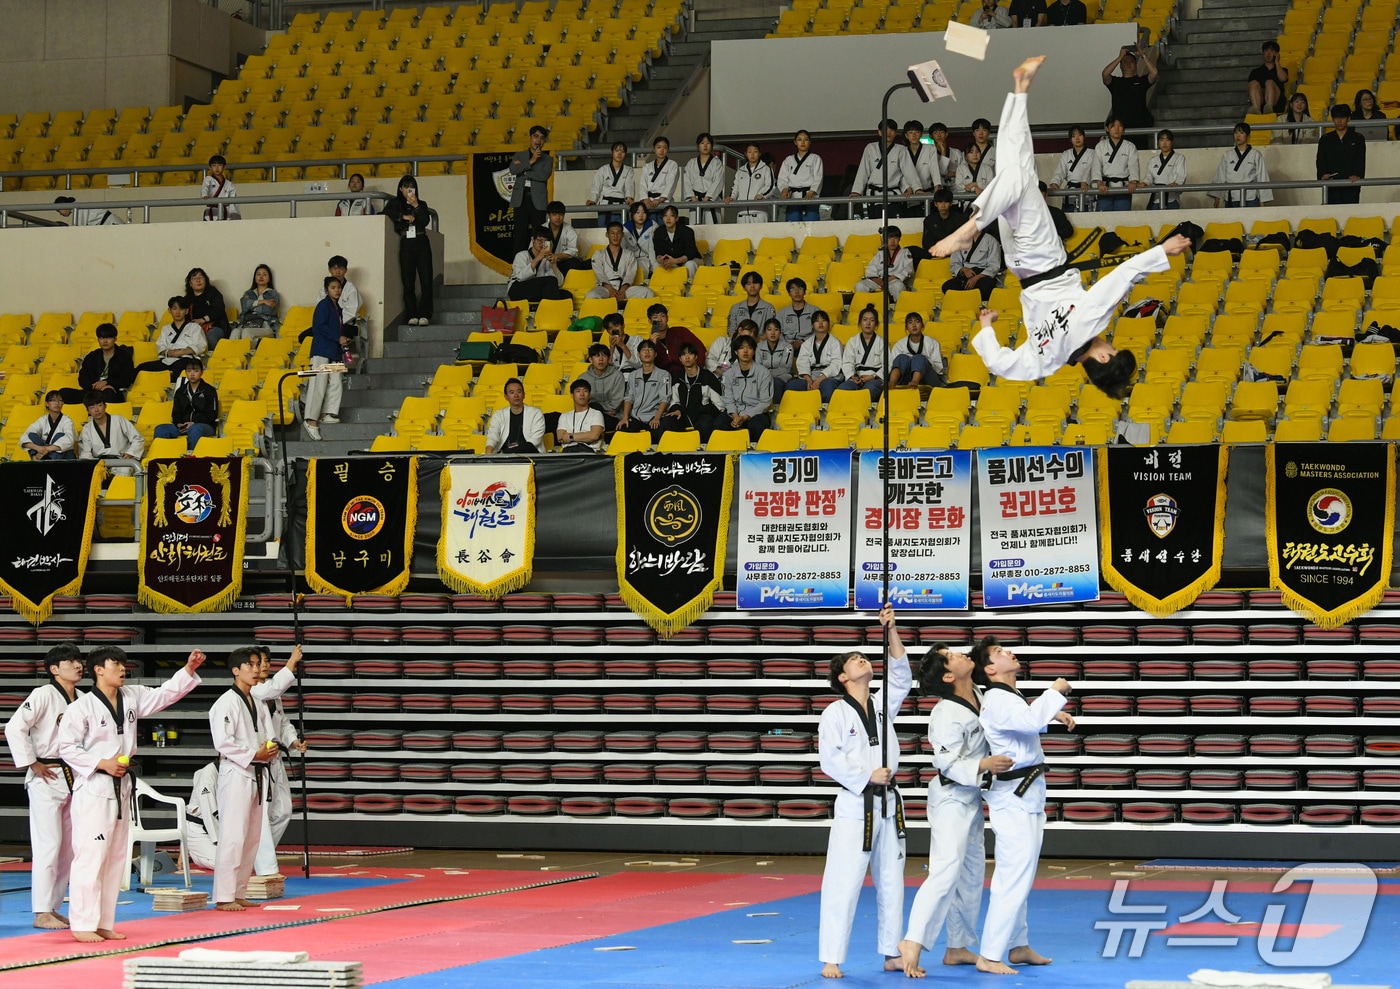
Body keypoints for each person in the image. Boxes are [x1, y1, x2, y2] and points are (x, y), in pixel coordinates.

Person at [931, 57, 1190, 396]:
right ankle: (1020, 88)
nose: (1109, 343)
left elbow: (1123, 276)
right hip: (1020, 266)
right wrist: (985, 328)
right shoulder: (1046, 361)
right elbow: (1001, 365)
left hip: (1044, 257)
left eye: (1111, 349)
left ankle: (972, 225)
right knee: (1017, 165)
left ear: (1102, 356)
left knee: (1020, 178)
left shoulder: (1090, 322)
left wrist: (1163, 250)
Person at [57, 646, 204, 942]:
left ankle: (103, 922)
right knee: (91, 856)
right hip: (95, 786)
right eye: (116, 664)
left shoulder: (132, 696)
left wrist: (188, 669)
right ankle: (83, 924)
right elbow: (66, 748)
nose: (123, 669)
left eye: (124, 664)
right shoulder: (81, 708)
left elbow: (165, 694)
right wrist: (102, 763)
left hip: (122, 786)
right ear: (98, 669)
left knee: (115, 858)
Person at [896, 642, 1015, 978]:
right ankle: (913, 940)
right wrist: (985, 763)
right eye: (952, 656)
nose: (962, 655)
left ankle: (958, 946)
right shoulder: (945, 713)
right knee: (946, 870)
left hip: (973, 797)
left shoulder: (979, 691)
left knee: (972, 873)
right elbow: (947, 763)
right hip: (950, 798)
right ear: (948, 675)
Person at [817, 604, 911, 980]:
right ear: (843, 677)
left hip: (889, 802)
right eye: (853, 660)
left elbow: (901, 675)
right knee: (844, 880)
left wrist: (891, 629)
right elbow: (829, 761)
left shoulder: (883, 703)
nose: (861, 658)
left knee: (892, 879)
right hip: (856, 803)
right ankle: (831, 957)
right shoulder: (834, 713)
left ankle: (891, 952)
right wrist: (866, 775)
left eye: (862, 656)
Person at [972, 634, 1072, 975]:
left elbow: (1024, 723)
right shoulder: (997, 698)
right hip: (1013, 795)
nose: (1009, 652)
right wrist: (1055, 692)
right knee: (1014, 873)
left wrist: (1053, 714)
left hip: (1025, 792)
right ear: (989, 668)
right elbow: (1027, 721)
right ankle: (989, 954)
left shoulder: (1008, 696)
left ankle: (1017, 944)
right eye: (1000, 652)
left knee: (1022, 871)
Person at [3, 644, 85, 929]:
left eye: (79, 660)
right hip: (46, 776)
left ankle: (53, 906)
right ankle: (40, 910)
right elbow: (14, 727)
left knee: (68, 849)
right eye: (71, 661)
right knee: (48, 844)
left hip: (75, 776)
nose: (78, 665)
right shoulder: (43, 695)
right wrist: (31, 763)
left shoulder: (85, 698)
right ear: (54, 669)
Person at [209, 647, 276, 911]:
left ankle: (238, 891)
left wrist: (270, 749)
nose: (257, 669)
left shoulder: (257, 701)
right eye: (251, 664)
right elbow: (223, 742)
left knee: (251, 837)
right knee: (233, 836)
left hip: (258, 771)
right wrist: (253, 753)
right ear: (236, 670)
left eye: (258, 664)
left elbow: (268, 734)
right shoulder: (225, 702)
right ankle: (224, 896)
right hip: (236, 772)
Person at [251, 645, 306, 877]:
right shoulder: (254, 690)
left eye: (266, 661)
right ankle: (262, 863)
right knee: (261, 814)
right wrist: (292, 663)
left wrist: (293, 741)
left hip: (276, 758)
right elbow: (271, 689)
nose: (264, 665)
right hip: (259, 758)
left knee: (283, 810)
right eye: (259, 662)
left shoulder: (275, 694)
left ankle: (256, 854)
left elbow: (283, 723)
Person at [301, 276, 348, 440]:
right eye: (333, 287)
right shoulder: (323, 305)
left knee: (336, 382)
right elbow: (319, 327)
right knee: (318, 385)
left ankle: (326, 413)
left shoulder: (338, 308)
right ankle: (310, 420)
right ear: (327, 289)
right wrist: (338, 337)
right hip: (322, 350)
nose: (337, 290)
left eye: (339, 287)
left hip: (334, 351)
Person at [851, 119, 919, 219]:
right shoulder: (870, 148)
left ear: (896, 133)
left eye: (892, 130)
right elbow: (863, 171)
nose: (889, 133)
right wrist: (856, 191)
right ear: (879, 132)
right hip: (874, 196)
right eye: (885, 130)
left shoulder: (901, 149)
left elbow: (907, 171)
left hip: (893, 196)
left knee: (895, 225)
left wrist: (915, 188)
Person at [392, 174, 433, 326]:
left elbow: (425, 221)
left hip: (421, 241)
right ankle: (411, 314)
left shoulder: (421, 203)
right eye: (406, 187)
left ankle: (425, 314)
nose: (409, 190)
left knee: (426, 279)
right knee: (408, 281)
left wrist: (416, 205)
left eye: (412, 187)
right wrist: (402, 217)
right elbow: (385, 214)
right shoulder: (396, 204)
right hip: (406, 243)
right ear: (401, 188)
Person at [60, 322, 134, 405]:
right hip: (92, 391)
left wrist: (107, 383)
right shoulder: (92, 356)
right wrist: (95, 386)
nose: (105, 341)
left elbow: (126, 379)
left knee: (108, 393)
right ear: (98, 339)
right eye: (101, 338)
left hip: (112, 391)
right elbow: (82, 379)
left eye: (109, 337)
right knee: (62, 393)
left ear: (115, 338)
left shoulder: (124, 356)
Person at [662, 342, 726, 440]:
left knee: (705, 423)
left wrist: (702, 410)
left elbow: (719, 405)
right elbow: (674, 401)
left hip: (702, 416)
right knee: (667, 421)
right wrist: (676, 409)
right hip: (682, 416)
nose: (687, 357)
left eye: (690, 353)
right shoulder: (676, 377)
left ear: (696, 357)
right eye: (683, 354)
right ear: (680, 359)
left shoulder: (707, 377)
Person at [153, 358, 218, 450]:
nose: (192, 374)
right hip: (183, 426)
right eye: (189, 371)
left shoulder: (209, 390)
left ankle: (191, 459)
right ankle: (161, 458)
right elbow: (176, 412)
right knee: (160, 429)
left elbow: (212, 415)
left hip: (204, 426)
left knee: (195, 429)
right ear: (186, 372)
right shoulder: (180, 391)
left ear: (201, 372)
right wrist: (179, 423)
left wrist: (193, 423)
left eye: (196, 371)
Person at [137, 296, 207, 380]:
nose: (178, 312)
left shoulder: (194, 327)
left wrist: (181, 352)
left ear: (186, 311)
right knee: (141, 367)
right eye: (174, 309)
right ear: (169, 310)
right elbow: (160, 345)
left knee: (178, 367)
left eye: (181, 309)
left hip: (187, 359)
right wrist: (168, 352)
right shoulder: (165, 328)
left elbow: (200, 345)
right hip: (169, 359)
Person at [721, 333, 774, 441]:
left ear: (754, 351)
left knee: (758, 426)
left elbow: (765, 402)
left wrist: (746, 416)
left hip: (756, 413)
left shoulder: (764, 373)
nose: (745, 351)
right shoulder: (728, 374)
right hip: (735, 412)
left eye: (749, 348)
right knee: (718, 424)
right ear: (736, 352)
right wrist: (735, 415)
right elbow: (727, 399)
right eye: (741, 348)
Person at [509, 124, 553, 253]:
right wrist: (531, 161)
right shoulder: (519, 155)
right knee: (519, 235)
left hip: (538, 201)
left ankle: (543, 265)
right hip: (520, 200)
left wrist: (524, 172)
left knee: (541, 235)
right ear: (530, 138)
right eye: (535, 136)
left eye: (542, 138)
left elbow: (544, 175)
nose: (538, 140)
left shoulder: (547, 159)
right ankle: (517, 269)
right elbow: (513, 170)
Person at [587, 221, 655, 301]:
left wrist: (623, 289)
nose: (615, 236)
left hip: (624, 288)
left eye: (618, 233)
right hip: (605, 288)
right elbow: (599, 273)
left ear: (622, 235)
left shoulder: (629, 254)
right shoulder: (598, 254)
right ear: (607, 235)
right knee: (591, 295)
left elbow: (630, 274)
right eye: (612, 233)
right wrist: (610, 289)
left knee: (648, 293)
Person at [617, 339, 672, 441]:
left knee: (656, 433)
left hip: (653, 416)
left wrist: (657, 417)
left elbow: (665, 399)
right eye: (643, 350)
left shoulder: (664, 375)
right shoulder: (633, 375)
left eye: (650, 349)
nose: (647, 352)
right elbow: (629, 397)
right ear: (638, 354)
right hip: (636, 417)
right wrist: (625, 417)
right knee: (622, 430)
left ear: (655, 354)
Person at [1212, 122, 1272, 208]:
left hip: (1250, 196)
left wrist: (1262, 201)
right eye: (1236, 132)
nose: (1238, 135)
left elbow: (1262, 177)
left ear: (1248, 136)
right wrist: (1217, 196)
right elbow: (1220, 175)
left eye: (1241, 133)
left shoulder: (1255, 154)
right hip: (1232, 196)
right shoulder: (1227, 155)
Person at [1317, 104, 1366, 206]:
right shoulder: (1325, 139)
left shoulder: (1358, 138)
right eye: (1336, 118)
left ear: (1348, 119)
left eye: (1342, 117)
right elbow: (1321, 160)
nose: (1339, 121)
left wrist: (1358, 175)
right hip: (1331, 184)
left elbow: (1360, 160)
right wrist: (1323, 174)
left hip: (1351, 184)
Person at [507, 227, 572, 303]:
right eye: (539, 240)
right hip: (517, 289)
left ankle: (550, 310)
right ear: (533, 240)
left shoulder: (547, 260)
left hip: (535, 291)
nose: (542, 244)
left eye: (545, 242)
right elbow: (520, 277)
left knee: (567, 295)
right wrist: (537, 259)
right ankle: (551, 311)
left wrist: (554, 264)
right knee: (550, 281)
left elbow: (559, 283)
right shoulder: (521, 255)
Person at [791, 310, 844, 401]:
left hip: (830, 376)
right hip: (811, 375)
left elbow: (836, 364)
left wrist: (819, 381)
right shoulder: (807, 344)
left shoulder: (835, 342)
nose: (820, 323)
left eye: (823, 320)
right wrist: (808, 379)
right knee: (791, 386)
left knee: (827, 387)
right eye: (817, 321)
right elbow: (802, 363)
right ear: (812, 325)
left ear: (828, 324)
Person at [78, 390, 144, 463]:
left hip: (122, 461)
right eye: (92, 407)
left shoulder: (119, 420)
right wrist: (93, 465)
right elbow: (85, 452)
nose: (96, 410)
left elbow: (138, 438)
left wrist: (130, 453)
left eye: (99, 405)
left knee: (124, 471)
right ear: (88, 411)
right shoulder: (87, 429)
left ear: (105, 406)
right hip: (100, 463)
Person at [1102, 45, 1157, 129]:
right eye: (1125, 62)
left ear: (1135, 65)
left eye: (1131, 61)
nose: (1128, 63)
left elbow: (1154, 73)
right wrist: (1119, 57)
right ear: (1120, 65)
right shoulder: (1115, 82)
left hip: (1140, 127)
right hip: (1120, 128)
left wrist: (1143, 55)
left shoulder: (1142, 81)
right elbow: (1105, 74)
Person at [838, 304, 887, 400]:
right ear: (860, 322)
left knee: (870, 389)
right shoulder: (853, 341)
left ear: (876, 324)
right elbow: (847, 362)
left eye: (872, 320)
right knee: (842, 389)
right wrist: (853, 376)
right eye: (865, 320)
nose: (868, 323)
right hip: (857, 377)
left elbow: (887, 364)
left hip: (875, 378)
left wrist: (873, 376)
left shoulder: (881, 342)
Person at [485, 378, 545, 454]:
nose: (516, 395)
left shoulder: (536, 413)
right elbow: (493, 434)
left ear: (524, 395)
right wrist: (489, 450)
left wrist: (511, 452)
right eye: (512, 392)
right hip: (505, 457)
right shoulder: (499, 414)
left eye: (519, 392)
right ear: (506, 397)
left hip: (529, 455)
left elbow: (535, 441)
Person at [646, 302, 705, 379]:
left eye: (662, 316)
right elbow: (647, 366)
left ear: (667, 318)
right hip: (663, 378)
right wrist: (652, 346)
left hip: (687, 374)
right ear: (650, 321)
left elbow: (699, 348)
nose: (660, 320)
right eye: (655, 317)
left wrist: (696, 370)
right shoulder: (648, 344)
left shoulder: (680, 332)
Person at [1048, 125, 1100, 213]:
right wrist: (1055, 183)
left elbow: (1090, 169)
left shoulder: (1092, 153)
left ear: (1084, 137)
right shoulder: (1066, 154)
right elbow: (1060, 171)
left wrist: (1085, 182)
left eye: (1079, 135)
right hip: (1070, 192)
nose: (1077, 138)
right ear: (1070, 139)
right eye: (1073, 136)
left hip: (1086, 190)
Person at [945, 224, 1002, 302]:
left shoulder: (991, 241)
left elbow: (994, 265)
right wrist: (963, 269)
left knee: (986, 288)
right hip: (966, 274)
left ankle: (978, 305)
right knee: (947, 287)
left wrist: (976, 277)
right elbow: (954, 263)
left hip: (982, 275)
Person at [856, 225, 914, 302]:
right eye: (889, 238)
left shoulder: (905, 252)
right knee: (860, 285)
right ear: (885, 240)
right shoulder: (880, 254)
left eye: (895, 238)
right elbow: (870, 269)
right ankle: (864, 309)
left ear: (899, 239)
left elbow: (909, 269)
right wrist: (877, 280)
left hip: (894, 280)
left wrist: (893, 277)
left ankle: (899, 309)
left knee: (898, 286)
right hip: (879, 280)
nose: (892, 241)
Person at [888, 313, 946, 389]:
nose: (914, 325)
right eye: (910, 322)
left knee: (919, 358)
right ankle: (891, 382)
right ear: (906, 327)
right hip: (905, 378)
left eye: (917, 322)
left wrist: (922, 360)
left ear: (922, 325)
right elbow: (892, 365)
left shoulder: (932, 343)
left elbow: (939, 369)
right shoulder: (900, 344)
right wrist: (909, 360)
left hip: (928, 378)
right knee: (901, 358)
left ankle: (915, 381)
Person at [1095, 114, 1140, 211]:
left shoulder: (1130, 146)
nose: (1117, 129)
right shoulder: (1101, 146)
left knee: (1122, 218)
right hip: (1105, 187)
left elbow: (1133, 166)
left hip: (1124, 187)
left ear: (1123, 129)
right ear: (1107, 128)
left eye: (1119, 126)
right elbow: (1096, 166)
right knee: (1104, 219)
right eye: (1113, 126)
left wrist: (1133, 181)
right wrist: (1099, 183)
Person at [778, 129, 824, 222]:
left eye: (806, 139)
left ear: (810, 142)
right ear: (795, 142)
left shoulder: (815, 158)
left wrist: (812, 191)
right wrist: (784, 189)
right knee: (793, 226)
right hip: (793, 197)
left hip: (810, 197)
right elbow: (782, 178)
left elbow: (818, 177)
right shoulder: (788, 160)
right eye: (799, 139)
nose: (803, 142)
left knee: (811, 226)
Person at [586, 141, 634, 227]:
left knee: (620, 232)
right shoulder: (603, 170)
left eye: (622, 151)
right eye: (617, 150)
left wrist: (629, 197)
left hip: (621, 205)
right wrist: (593, 200)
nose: (619, 153)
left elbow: (629, 185)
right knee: (602, 233)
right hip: (605, 205)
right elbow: (596, 187)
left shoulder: (628, 170)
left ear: (625, 154)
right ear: (612, 152)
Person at [184, 757, 220, 871]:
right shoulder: (208, 775)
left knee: (249, 860)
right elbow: (210, 812)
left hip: (222, 828)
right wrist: (220, 842)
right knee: (224, 863)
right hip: (199, 829)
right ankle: (192, 852)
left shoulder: (234, 773)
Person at [21, 391, 78, 460]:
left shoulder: (67, 421)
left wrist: (47, 449)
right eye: (53, 400)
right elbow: (25, 436)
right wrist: (39, 449)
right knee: (31, 435)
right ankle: (35, 458)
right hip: (42, 453)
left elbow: (69, 440)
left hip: (63, 456)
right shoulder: (42, 420)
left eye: (60, 400)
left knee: (60, 436)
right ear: (47, 404)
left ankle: (46, 460)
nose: (57, 403)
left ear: (63, 403)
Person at [682, 132, 725, 224]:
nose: (705, 146)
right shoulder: (691, 163)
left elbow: (718, 181)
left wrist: (708, 197)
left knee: (713, 230)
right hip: (695, 200)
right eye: (702, 143)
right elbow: (686, 182)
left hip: (711, 201)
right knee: (696, 230)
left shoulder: (717, 163)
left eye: (708, 143)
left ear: (712, 146)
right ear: (698, 146)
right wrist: (692, 197)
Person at [651, 204, 702, 281]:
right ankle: (665, 288)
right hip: (671, 261)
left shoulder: (687, 231)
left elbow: (690, 253)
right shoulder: (658, 232)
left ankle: (689, 288)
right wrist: (660, 259)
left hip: (689, 259)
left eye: (671, 216)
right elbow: (658, 252)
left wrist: (675, 261)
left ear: (677, 218)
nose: (668, 219)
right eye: (665, 216)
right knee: (656, 265)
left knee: (690, 265)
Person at [729, 141, 776, 223]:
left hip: (759, 213)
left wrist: (762, 195)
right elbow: (735, 187)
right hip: (742, 213)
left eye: (755, 152)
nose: (752, 154)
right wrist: (732, 197)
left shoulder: (765, 169)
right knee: (742, 236)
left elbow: (771, 186)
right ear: (746, 154)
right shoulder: (740, 170)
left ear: (759, 153)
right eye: (750, 152)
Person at [555, 378, 606, 452]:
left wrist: (570, 436)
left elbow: (594, 436)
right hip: (568, 452)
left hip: (589, 453)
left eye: (585, 391)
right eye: (578, 391)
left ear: (589, 395)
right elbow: (561, 437)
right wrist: (586, 435)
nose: (582, 394)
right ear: (572, 395)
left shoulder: (596, 414)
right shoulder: (564, 416)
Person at [583, 342, 626, 428]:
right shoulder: (583, 378)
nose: (601, 359)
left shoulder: (617, 376)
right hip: (590, 416)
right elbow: (582, 403)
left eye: (604, 356)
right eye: (597, 356)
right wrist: (602, 411)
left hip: (612, 416)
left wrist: (600, 410)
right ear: (590, 359)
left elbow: (615, 403)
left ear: (609, 358)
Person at [543, 201, 593, 274]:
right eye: (554, 214)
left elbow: (573, 251)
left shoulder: (569, 230)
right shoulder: (542, 229)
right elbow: (534, 248)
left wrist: (557, 256)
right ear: (549, 215)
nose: (558, 217)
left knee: (574, 263)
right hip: (544, 263)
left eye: (561, 214)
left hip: (561, 262)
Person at [185, 268, 230, 347]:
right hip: (196, 329)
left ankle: (213, 358)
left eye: (201, 277)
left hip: (216, 327)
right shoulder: (187, 299)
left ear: (205, 280)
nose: (198, 280)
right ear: (190, 283)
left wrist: (204, 319)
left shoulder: (213, 293)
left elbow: (218, 309)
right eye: (194, 278)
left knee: (210, 337)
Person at [320, 256, 364, 337]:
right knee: (304, 335)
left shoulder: (351, 289)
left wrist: (334, 323)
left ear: (345, 270)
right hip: (328, 325)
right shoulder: (324, 289)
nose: (338, 272)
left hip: (347, 325)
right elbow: (320, 309)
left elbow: (351, 313)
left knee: (331, 334)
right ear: (329, 270)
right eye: (334, 268)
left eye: (341, 268)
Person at [234, 263, 280, 339]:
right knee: (235, 332)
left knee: (247, 332)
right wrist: (262, 302)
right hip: (247, 323)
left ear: (269, 278)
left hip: (265, 325)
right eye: (258, 274)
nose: (261, 277)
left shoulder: (272, 293)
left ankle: (248, 351)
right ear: (255, 278)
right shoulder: (249, 292)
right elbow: (244, 306)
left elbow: (267, 310)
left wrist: (251, 305)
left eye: (264, 274)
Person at [920, 188, 968, 260]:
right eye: (940, 202)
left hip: (956, 254)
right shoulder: (929, 220)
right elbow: (926, 243)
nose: (943, 206)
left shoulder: (960, 219)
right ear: (935, 204)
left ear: (951, 203)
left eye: (946, 202)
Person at [726, 270, 778, 335]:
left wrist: (758, 340)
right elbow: (731, 330)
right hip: (740, 343)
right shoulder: (735, 308)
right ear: (744, 287)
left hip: (761, 343)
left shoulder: (768, 308)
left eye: (755, 283)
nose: (752, 286)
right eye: (748, 283)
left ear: (761, 286)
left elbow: (771, 331)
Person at [1145, 128, 1186, 210]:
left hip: (1171, 197)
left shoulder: (1179, 158)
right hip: (1156, 198)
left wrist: (1177, 183)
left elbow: (1181, 175)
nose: (1164, 143)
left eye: (1167, 140)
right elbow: (1149, 176)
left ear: (1172, 142)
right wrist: (1145, 183)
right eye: (1161, 140)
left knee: (1170, 222)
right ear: (1158, 142)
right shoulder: (1153, 160)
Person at [903, 120, 940, 206]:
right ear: (906, 135)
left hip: (927, 191)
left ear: (922, 134)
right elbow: (901, 173)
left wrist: (937, 187)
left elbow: (934, 169)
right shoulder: (902, 151)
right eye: (911, 132)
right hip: (909, 194)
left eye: (917, 132)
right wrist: (906, 187)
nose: (914, 135)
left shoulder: (930, 149)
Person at [638, 135, 680, 209]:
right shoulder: (647, 166)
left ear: (668, 150)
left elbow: (671, 184)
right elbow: (643, 184)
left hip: (664, 202)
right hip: (649, 202)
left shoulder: (672, 165)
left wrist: (661, 199)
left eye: (665, 147)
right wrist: (646, 199)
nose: (661, 150)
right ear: (654, 149)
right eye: (658, 147)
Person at [1247, 41, 1289, 115]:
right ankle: (1257, 111)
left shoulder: (1282, 70)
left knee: (1269, 82)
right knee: (1253, 84)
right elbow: (1250, 89)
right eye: (1266, 51)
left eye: (1272, 51)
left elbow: (1283, 79)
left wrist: (1277, 62)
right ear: (1263, 53)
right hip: (1260, 101)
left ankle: (1269, 108)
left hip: (1277, 103)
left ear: (1276, 54)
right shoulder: (1256, 71)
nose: (1268, 54)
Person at [757, 318, 795, 399]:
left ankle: (776, 407)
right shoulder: (759, 347)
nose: (773, 333)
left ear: (780, 332)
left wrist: (767, 375)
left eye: (776, 329)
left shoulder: (788, 347)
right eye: (769, 329)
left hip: (783, 377)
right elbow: (758, 367)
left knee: (775, 382)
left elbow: (785, 368)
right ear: (765, 332)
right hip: (763, 378)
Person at [776, 276, 817, 346]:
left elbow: (818, 332)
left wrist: (804, 342)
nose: (797, 292)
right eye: (793, 289)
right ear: (789, 293)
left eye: (800, 288)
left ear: (805, 292)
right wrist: (787, 344)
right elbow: (777, 332)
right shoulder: (781, 313)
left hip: (809, 345)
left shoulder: (815, 311)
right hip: (786, 346)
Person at [622, 201, 659, 277]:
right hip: (630, 259)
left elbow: (653, 249)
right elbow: (623, 249)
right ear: (631, 215)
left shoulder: (652, 226)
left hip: (647, 258)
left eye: (643, 212)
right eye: (637, 212)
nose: (641, 215)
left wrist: (653, 268)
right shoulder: (625, 228)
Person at [201, 154, 239, 221]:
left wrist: (235, 216)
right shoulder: (208, 179)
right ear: (210, 168)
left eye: (220, 165)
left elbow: (233, 202)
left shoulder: (229, 184)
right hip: (211, 211)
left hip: (226, 212)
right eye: (214, 166)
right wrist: (205, 195)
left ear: (224, 167)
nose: (217, 168)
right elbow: (205, 187)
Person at [928, 122, 964, 188]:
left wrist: (949, 173)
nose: (939, 135)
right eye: (935, 133)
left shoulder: (956, 152)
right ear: (931, 136)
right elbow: (940, 172)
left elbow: (964, 172)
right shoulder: (928, 153)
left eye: (941, 132)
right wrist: (943, 152)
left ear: (946, 134)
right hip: (937, 188)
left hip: (956, 187)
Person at [54, 195, 121, 226]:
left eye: (59, 211)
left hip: (111, 224)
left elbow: (79, 230)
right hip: (109, 224)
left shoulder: (78, 209)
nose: (60, 214)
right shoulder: (76, 208)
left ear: (63, 206)